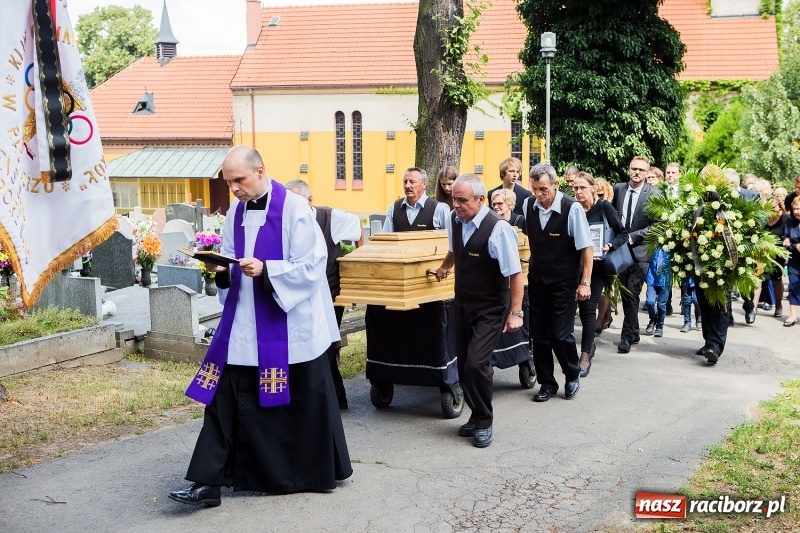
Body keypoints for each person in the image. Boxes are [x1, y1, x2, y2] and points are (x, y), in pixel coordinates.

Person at [169, 146, 352, 507]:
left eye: (239, 180)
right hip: (243, 323)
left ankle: (307, 473)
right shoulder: (236, 211)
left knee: (298, 403)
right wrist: (221, 269)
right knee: (223, 399)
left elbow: (313, 267)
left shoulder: (296, 209)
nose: (233, 188)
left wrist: (268, 269)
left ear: (260, 171)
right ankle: (207, 482)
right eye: (228, 182)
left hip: (288, 324)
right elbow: (229, 254)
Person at [435, 173, 523, 448]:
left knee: (477, 363)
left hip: (491, 308)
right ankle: (475, 415)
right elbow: (454, 248)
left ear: (480, 199)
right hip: (462, 304)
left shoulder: (498, 229)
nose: (456, 205)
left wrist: (516, 312)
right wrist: (445, 266)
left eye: (462, 200)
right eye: (453, 199)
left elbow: (515, 274)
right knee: (463, 366)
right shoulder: (455, 220)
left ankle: (484, 421)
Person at [285, 179, 362, 409]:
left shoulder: (330, 218)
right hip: (299, 296)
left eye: (295, 201)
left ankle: (336, 399)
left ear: (310, 200)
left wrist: (359, 266)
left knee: (325, 347)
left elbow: (357, 227)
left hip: (329, 295)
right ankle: (316, 400)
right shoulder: (286, 221)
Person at [523, 163, 593, 402]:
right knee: (540, 335)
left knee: (560, 334)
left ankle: (572, 375)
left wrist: (585, 282)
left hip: (564, 281)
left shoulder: (571, 209)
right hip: (538, 279)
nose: (538, 194)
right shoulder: (528, 206)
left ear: (555, 184)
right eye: (534, 189)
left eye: (543, 189)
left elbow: (586, 248)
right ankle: (547, 383)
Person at [571, 172, 627, 377]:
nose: (578, 192)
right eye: (575, 188)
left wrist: (608, 246)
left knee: (587, 308)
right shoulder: (573, 209)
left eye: (582, 188)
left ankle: (585, 354)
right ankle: (575, 349)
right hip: (573, 266)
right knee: (569, 308)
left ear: (593, 189)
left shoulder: (603, 207)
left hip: (597, 267)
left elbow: (623, 233)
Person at [612, 156, 662, 354]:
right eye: (634, 169)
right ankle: (634, 331)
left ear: (647, 173)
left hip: (640, 251)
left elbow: (657, 225)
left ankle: (625, 338)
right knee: (626, 295)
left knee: (632, 293)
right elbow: (614, 215)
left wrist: (631, 237)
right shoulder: (619, 189)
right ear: (628, 169)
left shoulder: (654, 194)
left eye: (641, 170)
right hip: (620, 251)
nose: (637, 173)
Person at [725, 168, 761, 324]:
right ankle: (728, 314)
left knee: (745, 279)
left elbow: (760, 220)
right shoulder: (721, 196)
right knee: (727, 280)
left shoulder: (751, 196)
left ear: (733, 184)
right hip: (726, 244)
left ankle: (749, 306)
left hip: (747, 244)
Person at [382, 167, 449, 232]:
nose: (407, 186)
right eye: (405, 182)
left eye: (412, 182)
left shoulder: (439, 209)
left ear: (424, 184)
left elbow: (450, 237)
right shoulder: (394, 208)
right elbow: (386, 237)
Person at [782, 196, 800, 327]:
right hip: (795, 261)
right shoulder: (790, 223)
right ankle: (793, 315)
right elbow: (786, 240)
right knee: (793, 287)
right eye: (795, 209)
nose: (796, 211)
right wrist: (793, 245)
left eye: (799, 209)